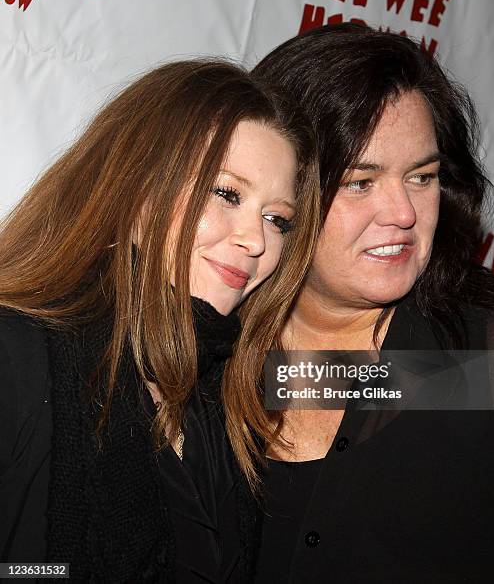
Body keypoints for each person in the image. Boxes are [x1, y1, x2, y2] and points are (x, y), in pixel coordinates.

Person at [0, 60, 320, 582]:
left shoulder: (223, 396)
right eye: (227, 194)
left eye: (276, 219)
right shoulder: (16, 352)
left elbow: (415, 385)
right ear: (139, 182)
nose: (257, 241)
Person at [250, 24, 494, 582]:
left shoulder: (493, 362)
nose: (402, 212)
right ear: (281, 187)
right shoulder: (201, 360)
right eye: (359, 182)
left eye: (421, 177)